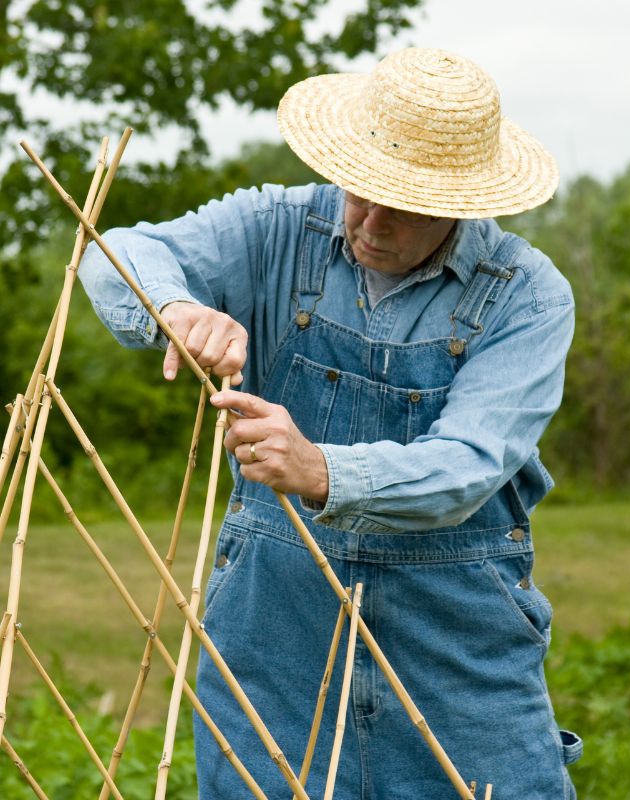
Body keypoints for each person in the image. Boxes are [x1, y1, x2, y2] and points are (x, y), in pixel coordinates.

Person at [80, 47, 581, 800]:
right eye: (360, 192)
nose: (370, 221)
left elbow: (470, 464)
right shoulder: (279, 225)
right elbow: (118, 251)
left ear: (461, 200)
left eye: (401, 205)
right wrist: (175, 309)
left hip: (453, 636)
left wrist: (320, 470)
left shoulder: (526, 297)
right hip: (277, 625)